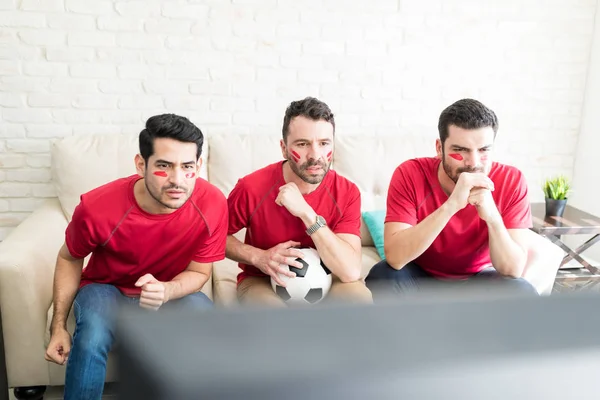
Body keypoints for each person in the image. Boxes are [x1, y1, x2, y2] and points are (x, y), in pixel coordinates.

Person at [44, 114, 227, 400]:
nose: (177, 180)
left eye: (187, 167)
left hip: (167, 292)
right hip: (105, 288)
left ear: (198, 166)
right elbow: (69, 258)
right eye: (164, 166)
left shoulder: (213, 203)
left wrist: (168, 290)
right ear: (141, 165)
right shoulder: (97, 207)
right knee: (93, 333)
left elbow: (200, 272)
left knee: (205, 320)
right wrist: (58, 327)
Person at [366, 98, 538, 297]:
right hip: (421, 277)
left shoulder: (511, 180)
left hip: (478, 279)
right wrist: (451, 205)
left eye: (483, 150)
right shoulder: (410, 173)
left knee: (520, 290)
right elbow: (395, 257)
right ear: (439, 148)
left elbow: (513, 269)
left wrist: (492, 217)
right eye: (460, 150)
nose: (473, 163)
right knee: (383, 276)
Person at [226, 97, 372, 307]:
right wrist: (259, 257)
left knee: (360, 302)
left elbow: (350, 271)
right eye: (303, 144)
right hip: (263, 281)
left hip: (331, 279)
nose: (315, 155)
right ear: (284, 148)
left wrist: (307, 214)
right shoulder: (251, 187)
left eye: (323, 144)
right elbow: (213, 236)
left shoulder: (347, 192)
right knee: (277, 321)